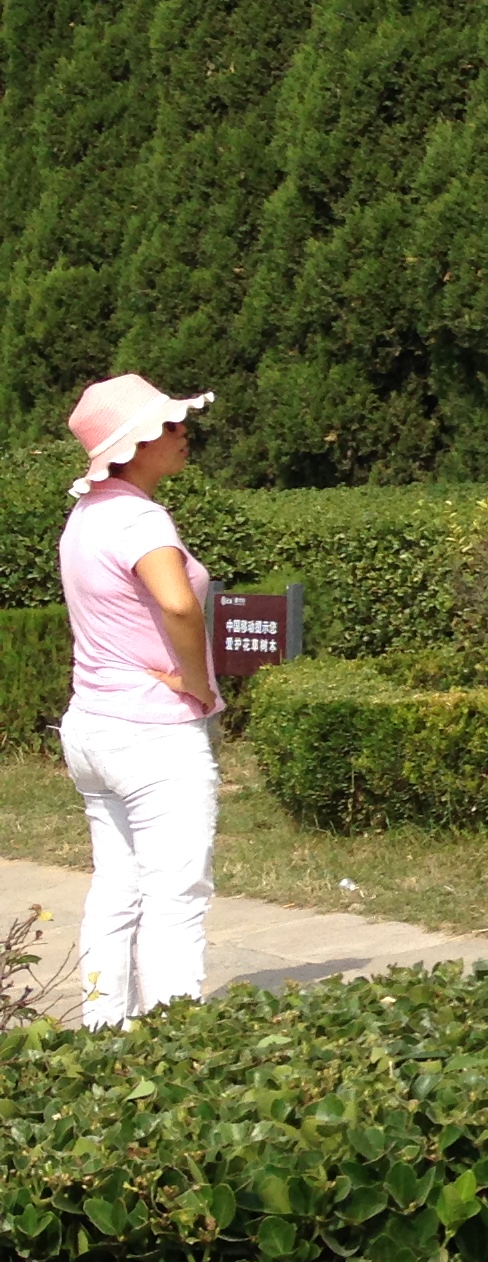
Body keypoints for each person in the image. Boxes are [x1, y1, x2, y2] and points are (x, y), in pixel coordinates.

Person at [58, 374, 223, 1027]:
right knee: (176, 897)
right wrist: (199, 683)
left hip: (93, 725)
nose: (184, 434)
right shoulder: (139, 517)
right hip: (154, 737)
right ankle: (173, 1054)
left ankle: (102, 1035)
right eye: (170, 427)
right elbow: (178, 601)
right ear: (135, 445)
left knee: (115, 892)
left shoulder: (89, 513)